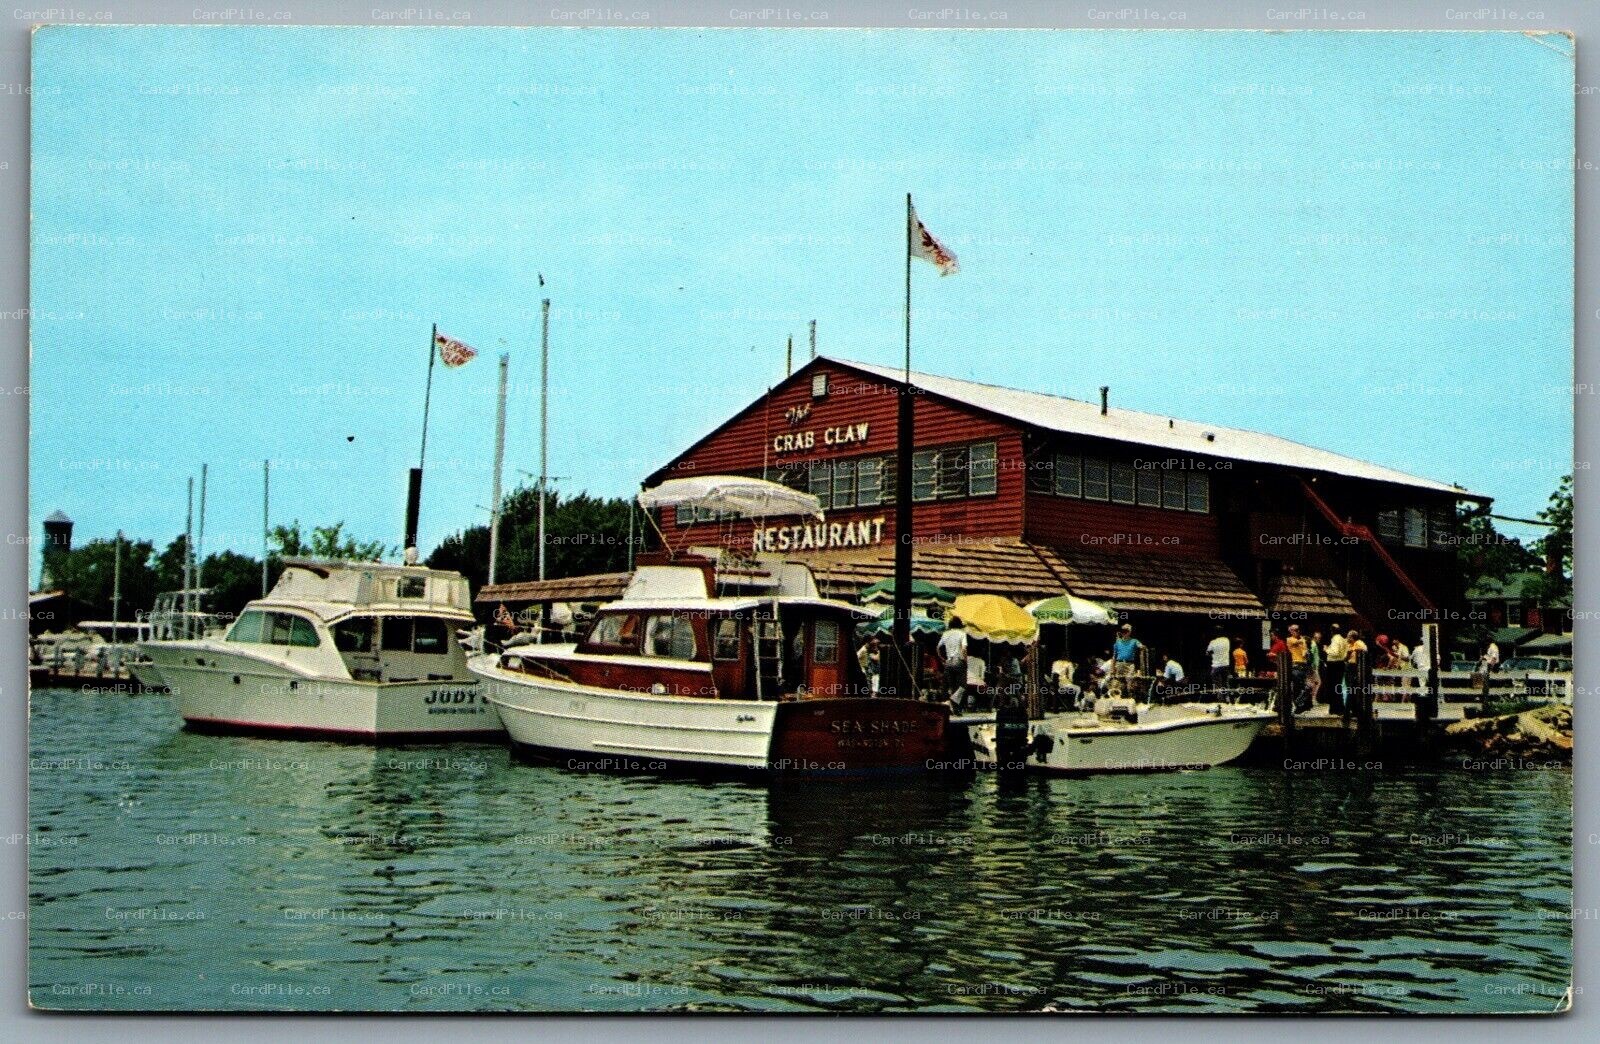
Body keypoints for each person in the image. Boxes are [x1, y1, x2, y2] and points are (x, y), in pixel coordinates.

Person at [937, 619, 968, 709]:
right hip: (959, 662)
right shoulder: (962, 634)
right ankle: (954, 705)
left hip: (948, 662)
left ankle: (947, 705)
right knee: (962, 686)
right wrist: (965, 661)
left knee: (948, 685)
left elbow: (938, 647)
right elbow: (964, 649)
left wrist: (942, 659)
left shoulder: (946, 634)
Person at [1110, 624, 1144, 696]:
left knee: (1129, 680)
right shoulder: (1117, 642)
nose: (1124, 633)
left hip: (1130, 664)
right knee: (1118, 681)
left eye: (1126, 631)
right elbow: (1114, 656)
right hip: (1119, 663)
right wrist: (1112, 668)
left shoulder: (1134, 641)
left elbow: (1141, 646)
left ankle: (1129, 696)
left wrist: (1141, 646)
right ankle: (1118, 697)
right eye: (1123, 631)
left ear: (1129, 632)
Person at [1323, 626, 1348, 713]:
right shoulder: (1343, 639)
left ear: (1332, 631)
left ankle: (1335, 708)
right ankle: (1339, 707)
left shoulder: (1335, 639)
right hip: (1340, 663)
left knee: (1333, 687)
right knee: (1338, 687)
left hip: (1333, 664)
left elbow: (1335, 652)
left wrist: (1326, 650)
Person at [1286, 624, 1309, 711]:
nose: (1297, 631)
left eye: (1298, 630)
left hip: (1303, 664)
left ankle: (1300, 704)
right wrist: (1303, 640)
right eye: (1294, 630)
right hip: (1295, 664)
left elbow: (1305, 651)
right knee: (1297, 686)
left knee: (1303, 686)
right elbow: (1297, 642)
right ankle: (1297, 705)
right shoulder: (1289, 639)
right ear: (1291, 631)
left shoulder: (1302, 641)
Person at [1206, 627, 1232, 693]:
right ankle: (1227, 698)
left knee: (1217, 685)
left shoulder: (1213, 642)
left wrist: (1213, 654)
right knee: (1226, 683)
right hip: (1225, 665)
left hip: (1216, 666)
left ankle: (1220, 699)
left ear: (1215, 633)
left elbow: (1207, 653)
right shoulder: (1227, 640)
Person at [1306, 629, 1324, 707]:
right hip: (1313, 667)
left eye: (1320, 638)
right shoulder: (1313, 644)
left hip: (1313, 666)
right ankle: (1312, 698)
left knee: (1312, 682)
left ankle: (1311, 699)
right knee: (1317, 682)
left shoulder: (1314, 644)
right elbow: (1311, 655)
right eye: (1318, 638)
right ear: (1314, 638)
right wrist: (1313, 667)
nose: (1319, 639)